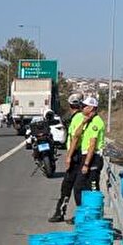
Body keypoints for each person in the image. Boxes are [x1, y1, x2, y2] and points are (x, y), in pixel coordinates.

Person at [47, 93, 86, 222]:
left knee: (73, 186)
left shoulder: (78, 118)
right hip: (77, 154)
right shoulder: (78, 117)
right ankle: (61, 212)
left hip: (76, 155)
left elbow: (75, 138)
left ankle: (66, 213)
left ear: (70, 105)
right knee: (70, 186)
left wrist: (69, 156)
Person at [73, 96, 106, 203]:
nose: (81, 108)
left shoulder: (96, 122)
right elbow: (76, 135)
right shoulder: (88, 121)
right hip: (86, 156)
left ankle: (92, 214)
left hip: (92, 158)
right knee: (82, 187)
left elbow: (92, 145)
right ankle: (83, 213)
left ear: (91, 108)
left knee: (92, 188)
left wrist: (86, 164)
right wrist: (83, 123)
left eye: (84, 106)